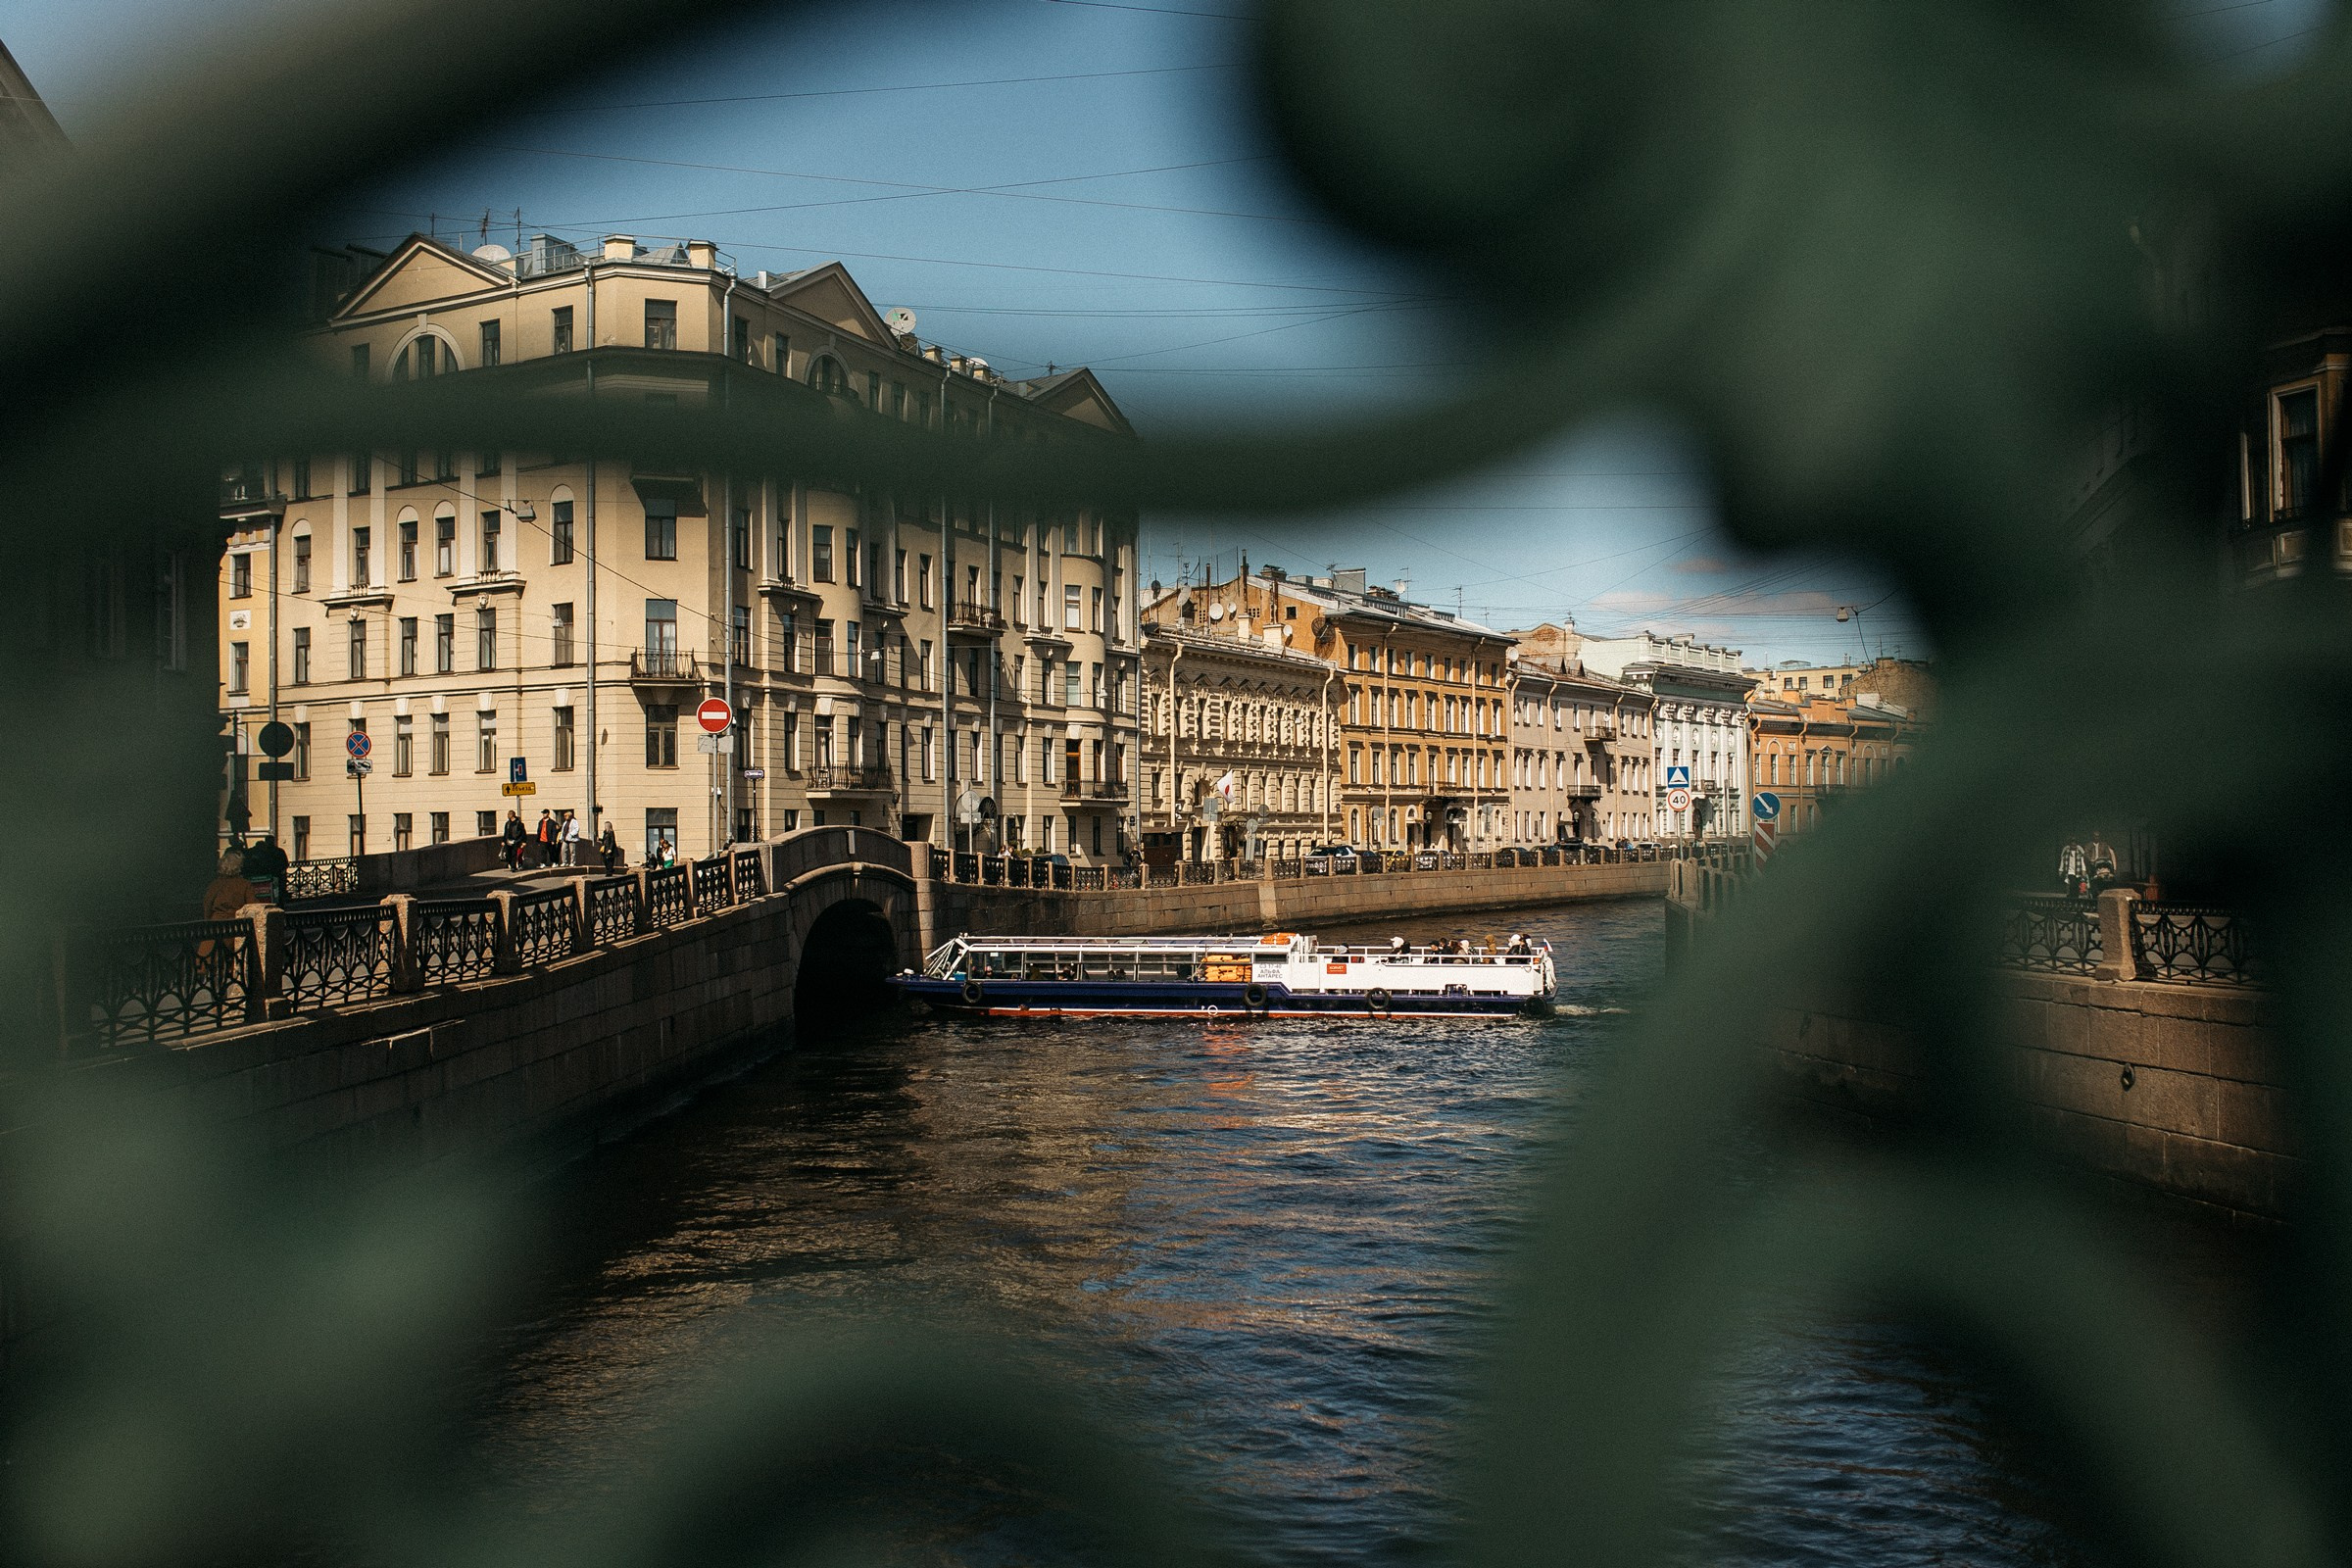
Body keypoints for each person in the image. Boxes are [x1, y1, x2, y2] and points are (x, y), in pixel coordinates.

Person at [241, 834, 287, 905]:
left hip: (264, 877)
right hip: (274, 877)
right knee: (276, 895)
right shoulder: (278, 851)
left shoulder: (259, 852)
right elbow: (285, 864)